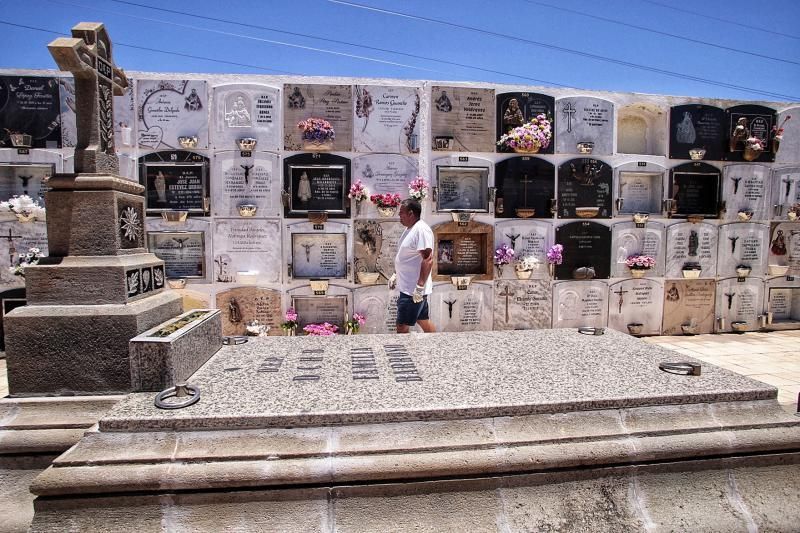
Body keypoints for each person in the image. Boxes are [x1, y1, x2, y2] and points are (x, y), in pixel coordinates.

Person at [389, 198, 436, 334]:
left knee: (402, 325)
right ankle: (437, 344)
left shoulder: (421, 230)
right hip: (408, 287)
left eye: (401, 213)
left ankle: (404, 353)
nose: (399, 216)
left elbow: (428, 259)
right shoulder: (410, 229)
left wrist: (420, 287)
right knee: (423, 320)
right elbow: (406, 256)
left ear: (411, 213)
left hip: (413, 290)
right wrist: (395, 274)